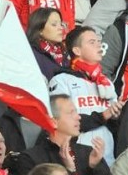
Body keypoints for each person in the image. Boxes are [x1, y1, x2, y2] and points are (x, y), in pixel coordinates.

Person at [49, 26, 121, 163]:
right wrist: (103, 115)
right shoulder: (61, 80)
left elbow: (113, 122)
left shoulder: (106, 82)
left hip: (108, 156)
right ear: (77, 50)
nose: (99, 45)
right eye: (92, 42)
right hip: (75, 157)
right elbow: (61, 121)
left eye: (98, 41)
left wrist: (116, 114)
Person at [27, 7, 68, 81]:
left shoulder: (65, 53)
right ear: (40, 29)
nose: (61, 28)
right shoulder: (31, 54)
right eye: (54, 24)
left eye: (61, 24)